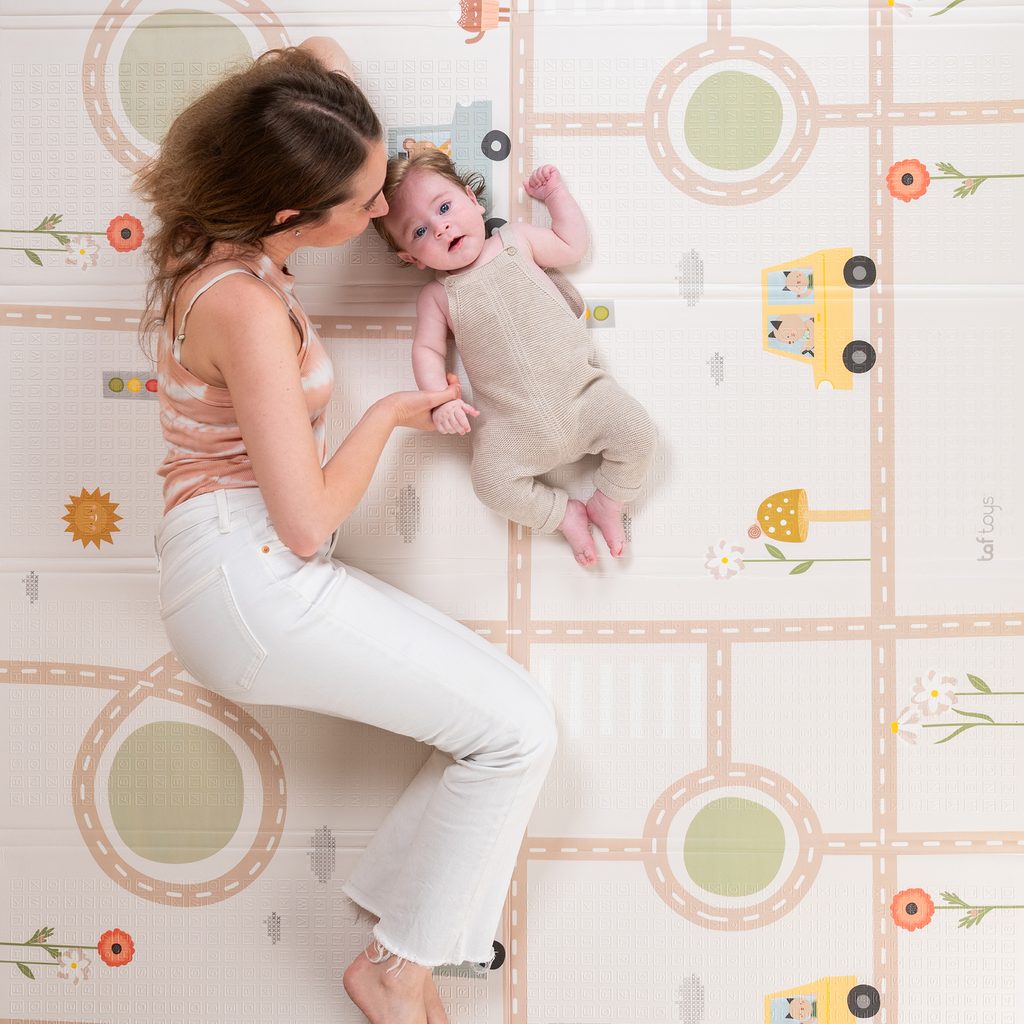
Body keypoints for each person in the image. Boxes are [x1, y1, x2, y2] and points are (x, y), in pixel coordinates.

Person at [137, 39, 558, 1024]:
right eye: (363, 201)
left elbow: (311, 61)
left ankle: (399, 954)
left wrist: (331, 115)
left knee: (504, 726)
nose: (380, 213)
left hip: (235, 571)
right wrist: (392, 415)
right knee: (516, 734)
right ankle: (395, 968)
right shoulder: (243, 306)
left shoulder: (222, 233)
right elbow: (307, 521)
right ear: (289, 214)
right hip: (252, 577)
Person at [372, 150, 657, 567]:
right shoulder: (437, 297)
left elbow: (571, 244)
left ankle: (608, 502)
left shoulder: (516, 241)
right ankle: (564, 515)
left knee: (637, 433)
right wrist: (440, 399)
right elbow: (428, 350)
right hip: (511, 427)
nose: (440, 227)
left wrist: (555, 195)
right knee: (490, 485)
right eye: (418, 231)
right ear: (411, 259)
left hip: (582, 396)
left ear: (473, 200)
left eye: (445, 208)